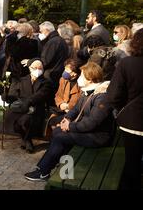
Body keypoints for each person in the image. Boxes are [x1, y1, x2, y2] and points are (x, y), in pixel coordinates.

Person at [24, 62, 114, 182]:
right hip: (89, 131)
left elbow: (92, 123)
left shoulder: (101, 96)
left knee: (60, 136)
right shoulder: (88, 91)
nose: (79, 78)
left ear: (90, 79)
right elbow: (76, 109)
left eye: (82, 76)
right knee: (57, 133)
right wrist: (67, 118)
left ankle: (44, 171)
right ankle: (52, 168)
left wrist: (69, 126)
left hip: (98, 136)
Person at [104, 29, 143, 190]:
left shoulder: (128, 63)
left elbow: (113, 95)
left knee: (132, 164)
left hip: (133, 123)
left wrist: (123, 109)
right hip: (133, 119)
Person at [3, 59, 53, 153]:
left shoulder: (46, 82)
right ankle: (25, 138)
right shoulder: (23, 80)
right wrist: (8, 97)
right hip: (21, 108)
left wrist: (29, 101)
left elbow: (40, 95)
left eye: (40, 68)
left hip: (36, 109)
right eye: (35, 68)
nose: (38, 70)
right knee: (11, 119)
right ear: (30, 68)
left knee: (26, 120)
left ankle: (28, 140)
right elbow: (16, 95)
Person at [47, 59, 82, 130]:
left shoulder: (81, 83)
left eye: (67, 70)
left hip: (74, 113)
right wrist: (61, 104)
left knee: (59, 124)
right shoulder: (63, 79)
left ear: (74, 73)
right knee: (52, 121)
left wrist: (68, 107)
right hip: (62, 110)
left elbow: (80, 100)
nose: (65, 72)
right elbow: (58, 95)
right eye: (65, 69)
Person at [39, 21, 69, 91]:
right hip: (57, 73)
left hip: (51, 76)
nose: (40, 33)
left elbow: (45, 61)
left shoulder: (52, 42)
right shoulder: (60, 40)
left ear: (46, 30)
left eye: (41, 31)